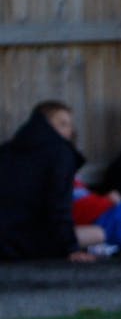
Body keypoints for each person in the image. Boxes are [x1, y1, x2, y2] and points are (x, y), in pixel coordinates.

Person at [0, 101, 95, 262]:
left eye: (70, 125)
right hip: (27, 243)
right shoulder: (60, 153)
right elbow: (59, 204)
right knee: (98, 233)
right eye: (63, 124)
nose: (70, 131)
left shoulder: (6, 150)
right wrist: (71, 248)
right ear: (45, 125)